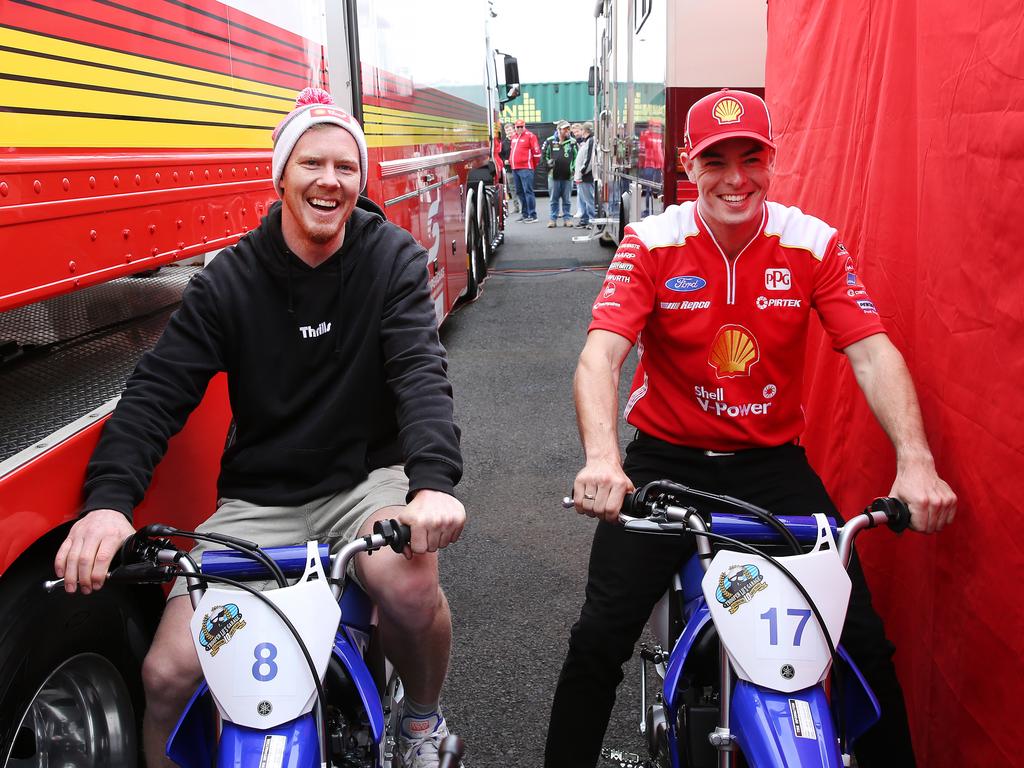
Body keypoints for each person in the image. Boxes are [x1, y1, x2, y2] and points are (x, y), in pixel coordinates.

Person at [53, 87, 467, 768]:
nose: (329, 181)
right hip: (259, 502)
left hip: (364, 483)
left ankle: (421, 724)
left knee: (410, 583)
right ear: (280, 176)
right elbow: (156, 393)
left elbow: (420, 372)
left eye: (345, 166)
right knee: (165, 676)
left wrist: (432, 486)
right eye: (312, 163)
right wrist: (107, 506)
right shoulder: (228, 282)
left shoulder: (388, 257)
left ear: (360, 179)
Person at [545, 89, 957, 767]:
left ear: (772, 161)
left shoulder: (811, 242)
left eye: (751, 158)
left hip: (771, 467)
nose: (736, 178)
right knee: (597, 641)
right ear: (688, 163)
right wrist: (602, 460)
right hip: (664, 464)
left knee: (861, 644)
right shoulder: (652, 242)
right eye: (716, 160)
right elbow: (602, 353)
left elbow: (872, 351)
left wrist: (916, 461)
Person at [544, 120, 577, 227]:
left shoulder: (573, 142)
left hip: (568, 176)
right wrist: (548, 165)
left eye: (568, 128)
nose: (567, 130)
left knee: (567, 199)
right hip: (553, 176)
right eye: (565, 129)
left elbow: (577, 157)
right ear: (558, 130)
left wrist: (573, 169)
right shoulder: (549, 141)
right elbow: (544, 155)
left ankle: (567, 219)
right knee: (554, 199)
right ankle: (553, 219)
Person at [510, 117, 541, 222]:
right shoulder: (514, 137)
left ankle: (532, 215)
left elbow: (537, 153)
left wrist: (531, 166)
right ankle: (525, 214)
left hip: (526, 168)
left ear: (524, 126)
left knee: (528, 191)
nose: (519, 128)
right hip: (515, 168)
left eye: (521, 127)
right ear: (515, 127)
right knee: (519, 191)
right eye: (517, 127)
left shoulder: (530, 136)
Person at [637, 116, 664, 217]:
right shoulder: (647, 135)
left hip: (654, 166)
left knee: (654, 189)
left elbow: (660, 151)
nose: (656, 129)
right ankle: (649, 210)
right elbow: (642, 151)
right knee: (650, 189)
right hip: (650, 165)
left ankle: (651, 210)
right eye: (655, 126)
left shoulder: (658, 136)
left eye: (657, 127)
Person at [573, 121, 596, 228]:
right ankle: (587, 220)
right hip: (584, 176)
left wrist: (581, 172)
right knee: (586, 199)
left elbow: (589, 160)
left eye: (581, 130)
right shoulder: (588, 141)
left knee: (589, 199)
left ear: (584, 131)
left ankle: (592, 221)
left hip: (586, 177)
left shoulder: (591, 141)